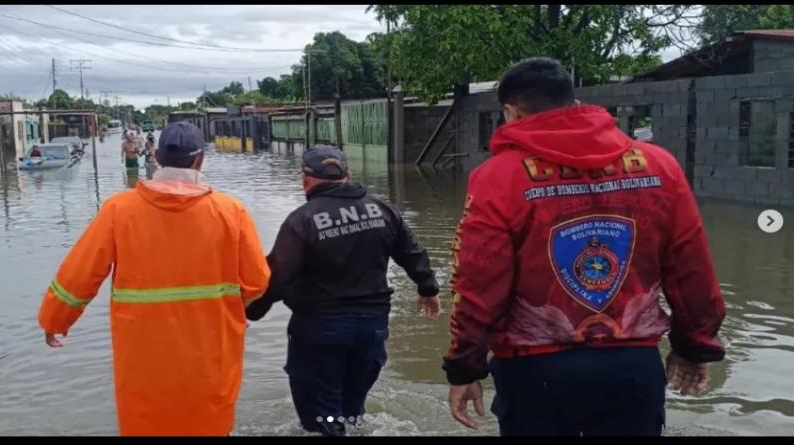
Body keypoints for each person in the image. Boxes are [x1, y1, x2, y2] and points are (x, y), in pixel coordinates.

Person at [443, 57, 726, 437]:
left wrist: (465, 366)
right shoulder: (660, 166)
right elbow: (690, 263)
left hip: (534, 372)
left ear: (510, 112)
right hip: (631, 365)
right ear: (574, 104)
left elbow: (478, 281)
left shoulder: (497, 177)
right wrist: (695, 345)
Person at [37, 121, 271, 436]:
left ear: (157, 158)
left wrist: (55, 319)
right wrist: (225, 308)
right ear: (200, 160)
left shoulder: (119, 209)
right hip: (211, 356)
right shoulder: (231, 212)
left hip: (143, 361)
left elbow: (80, 275)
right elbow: (257, 281)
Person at [246, 145, 441, 437]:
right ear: (347, 176)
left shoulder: (302, 221)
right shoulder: (383, 210)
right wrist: (428, 288)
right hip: (371, 330)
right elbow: (412, 252)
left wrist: (252, 310)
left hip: (320, 330)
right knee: (351, 412)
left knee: (322, 419)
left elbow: (278, 276)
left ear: (305, 179)